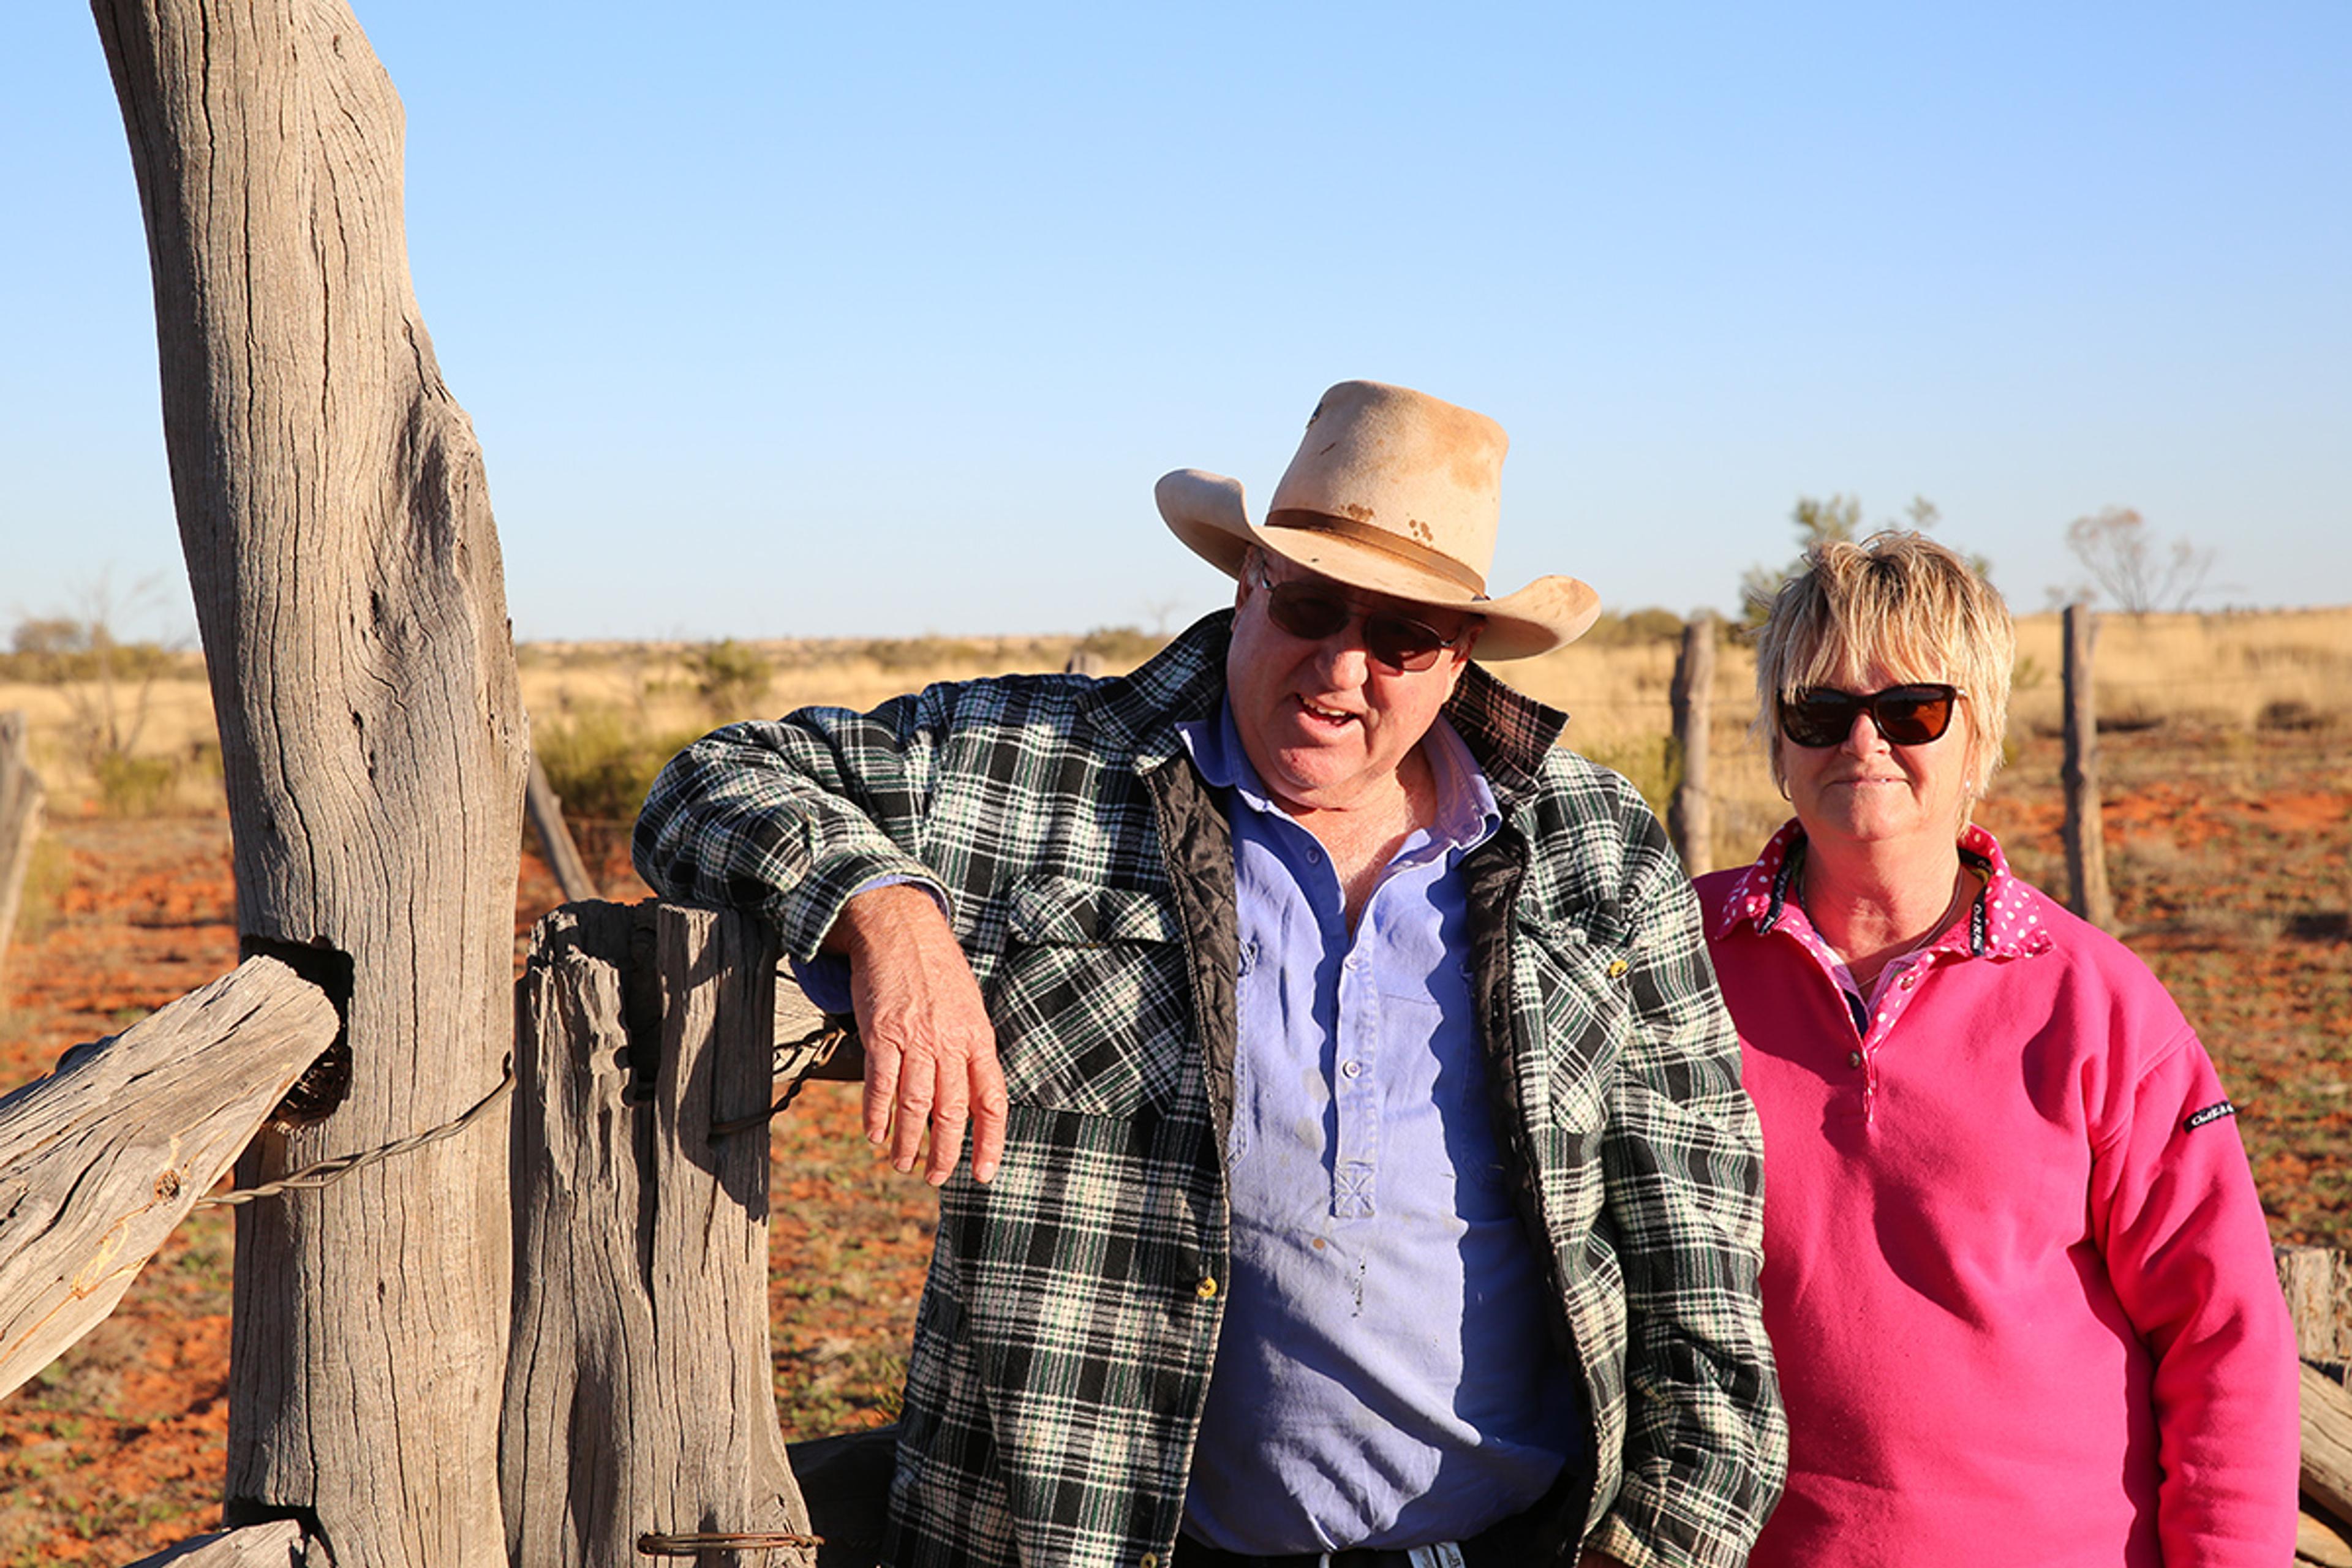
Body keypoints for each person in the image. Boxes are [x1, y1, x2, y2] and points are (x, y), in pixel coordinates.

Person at [635, 380, 1784, 1568]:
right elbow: (709, 782)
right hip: (1091, 1534)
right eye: (1313, 605)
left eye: (1398, 636)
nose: (1342, 668)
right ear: (1248, 587)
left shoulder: (1590, 841)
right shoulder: (1042, 772)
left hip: (1504, 1543)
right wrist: (886, 910)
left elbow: (1695, 1228)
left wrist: (1660, 1543)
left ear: (1460, 657)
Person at [1694, 533, 2298, 1567]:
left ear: (1981, 739)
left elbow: (2225, 1342)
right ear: (1778, 744)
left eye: (1913, 711)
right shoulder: (1672, 967)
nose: (1864, 742)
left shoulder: (2098, 1001)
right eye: (1821, 711)